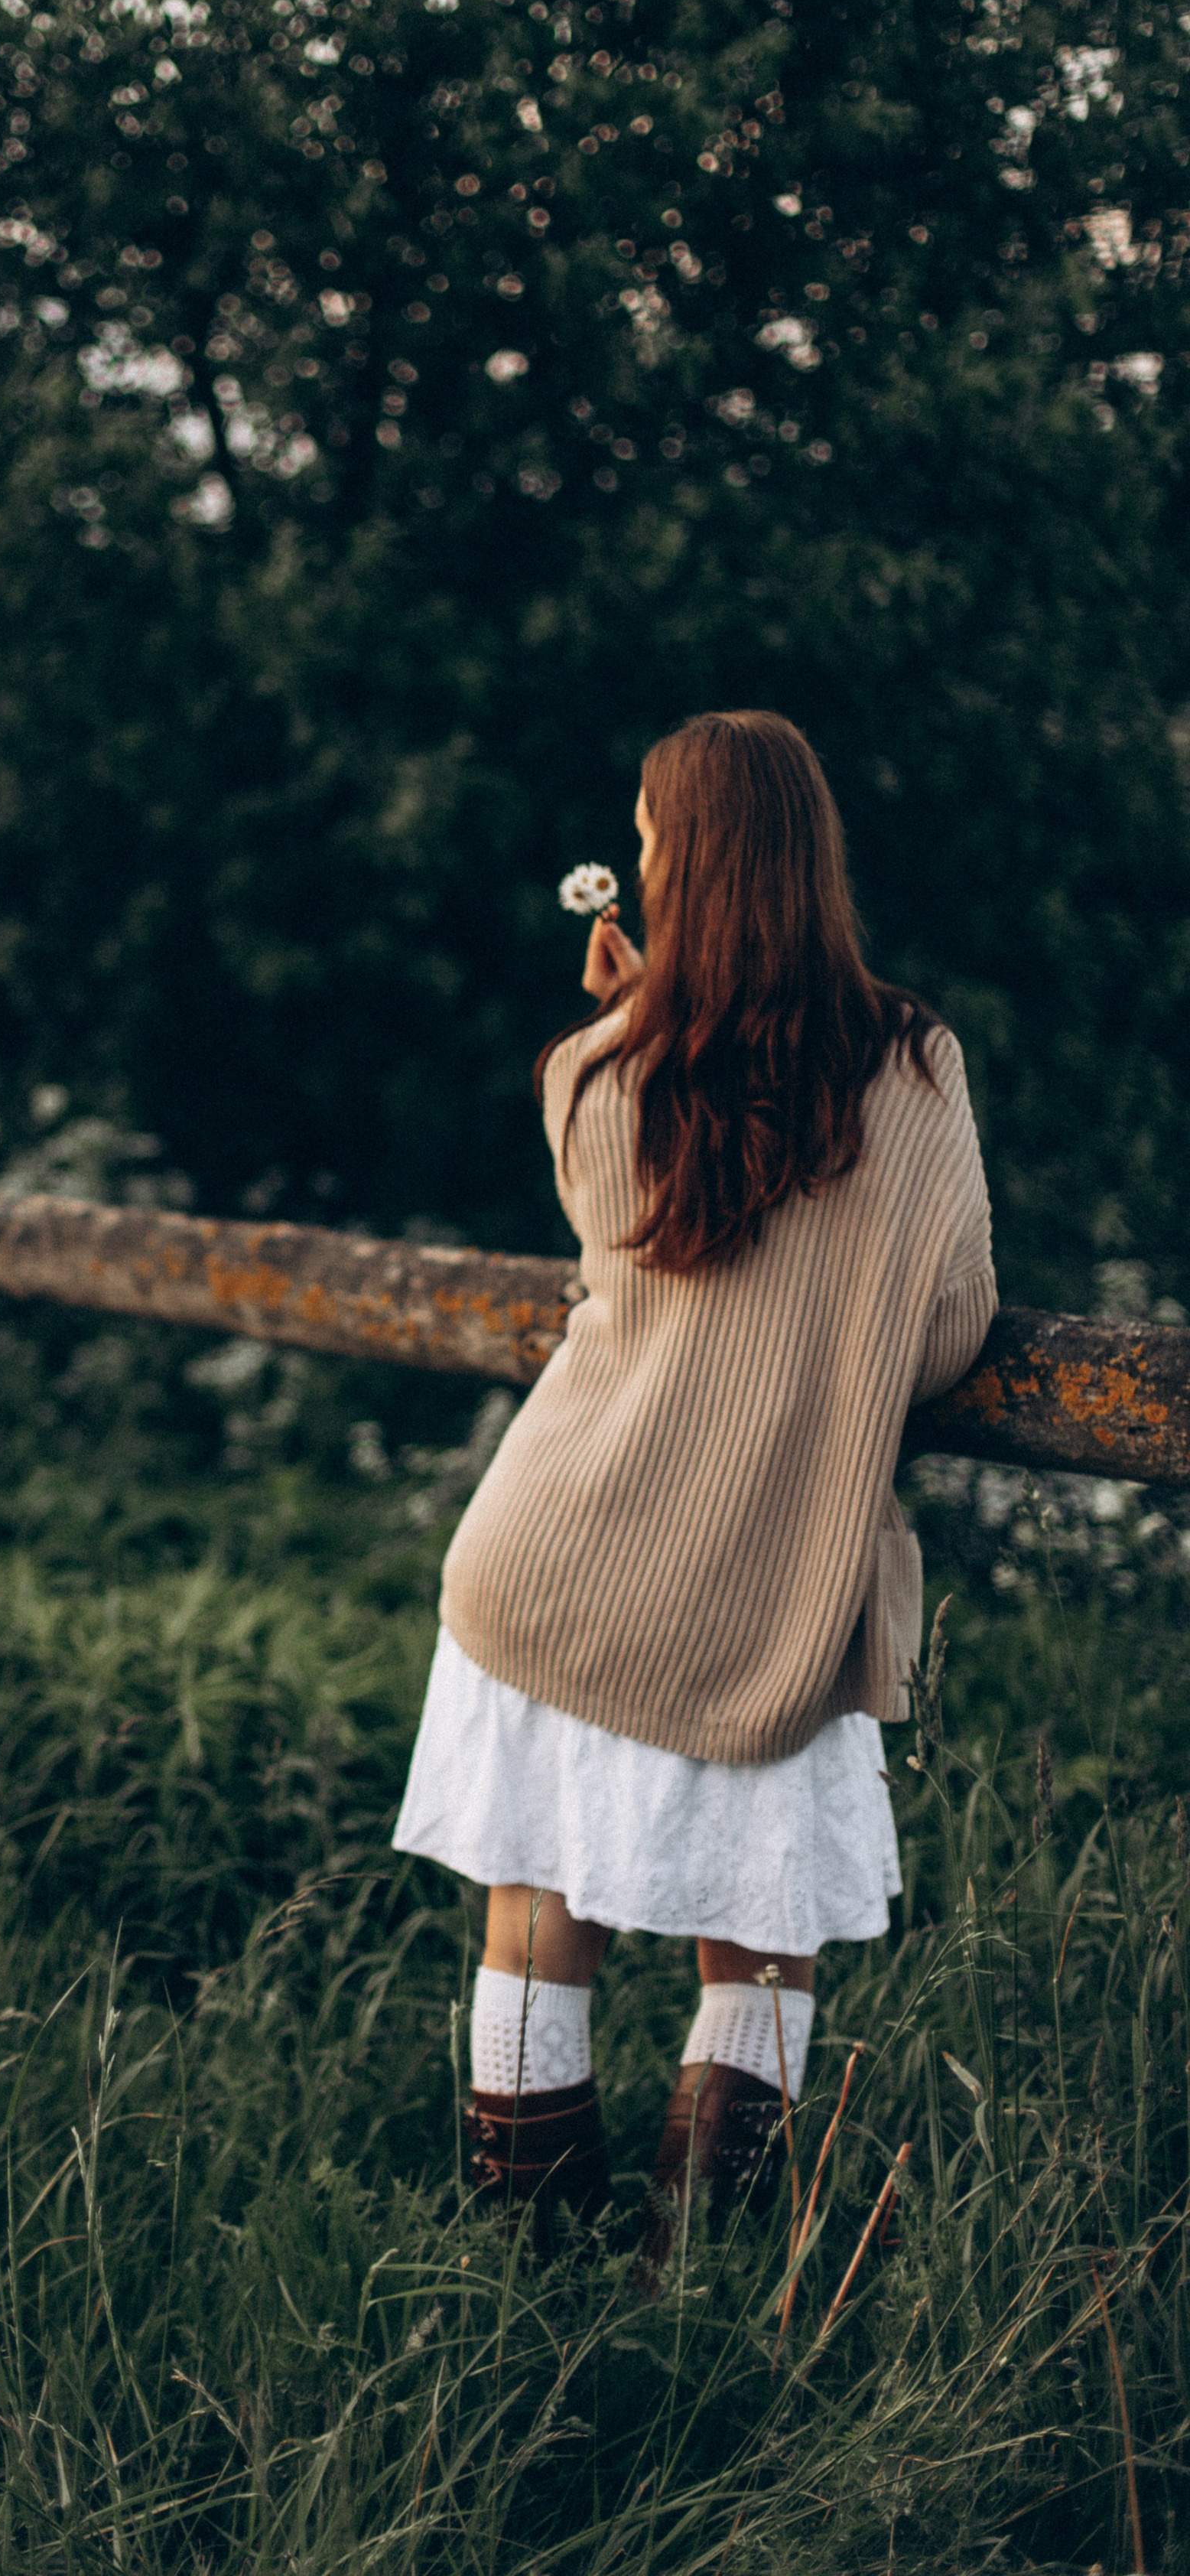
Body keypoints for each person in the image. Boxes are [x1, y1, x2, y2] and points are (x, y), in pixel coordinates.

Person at [392, 710, 996, 2250]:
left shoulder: (596, 1078)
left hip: (555, 1557)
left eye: (648, 842)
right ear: (807, 863)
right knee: (761, 1953)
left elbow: (628, 1239)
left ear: (681, 868)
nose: (638, 865)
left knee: (533, 1932)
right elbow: (951, 1331)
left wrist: (636, 1020)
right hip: (772, 1593)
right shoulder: (917, 1069)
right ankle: (698, 2290)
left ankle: (533, 2289)